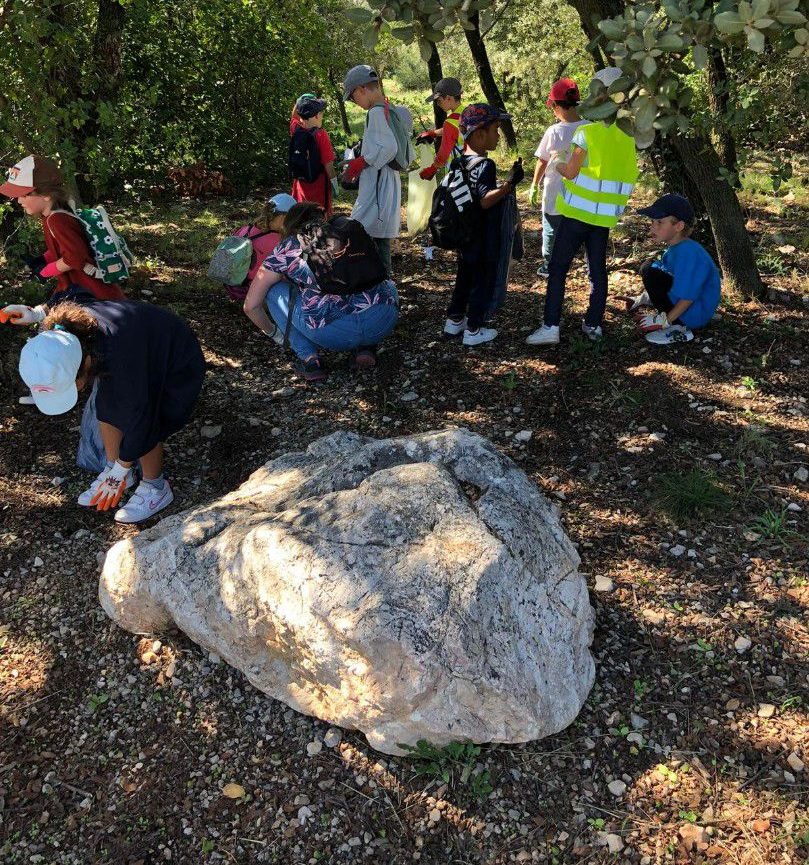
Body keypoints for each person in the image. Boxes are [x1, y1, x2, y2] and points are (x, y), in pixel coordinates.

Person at [17, 299, 205, 523]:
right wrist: (35, 314)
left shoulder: (122, 358)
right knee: (106, 406)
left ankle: (155, 487)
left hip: (174, 357)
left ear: (86, 362)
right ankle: (112, 466)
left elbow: (141, 416)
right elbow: (74, 293)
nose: (75, 388)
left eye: (71, 384)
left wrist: (123, 466)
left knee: (146, 415)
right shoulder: (66, 332)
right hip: (139, 348)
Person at [526, 67, 639, 347]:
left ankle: (551, 325)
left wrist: (556, 161)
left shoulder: (587, 133)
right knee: (597, 271)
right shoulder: (629, 138)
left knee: (558, 267)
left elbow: (571, 172)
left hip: (576, 214)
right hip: (603, 217)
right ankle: (593, 324)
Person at [243, 202, 399, 384]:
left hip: (333, 333)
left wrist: (275, 333)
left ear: (289, 225)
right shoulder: (350, 234)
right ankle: (366, 347)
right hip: (383, 319)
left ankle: (310, 359)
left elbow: (251, 306)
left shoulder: (287, 248)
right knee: (384, 285)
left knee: (272, 290)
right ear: (323, 219)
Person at [443, 103, 525, 346]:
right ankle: (474, 330)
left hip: (464, 236)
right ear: (480, 134)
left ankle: (454, 322)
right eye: (496, 129)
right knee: (481, 282)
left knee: (464, 279)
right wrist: (509, 185)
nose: (498, 135)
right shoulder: (485, 165)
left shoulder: (458, 161)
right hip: (483, 237)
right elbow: (484, 201)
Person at [0, 155, 126, 305]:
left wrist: (46, 271)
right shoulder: (50, 216)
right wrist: (43, 259)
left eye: (24, 195)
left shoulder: (57, 220)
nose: (19, 201)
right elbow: (64, 246)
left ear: (46, 194)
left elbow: (74, 257)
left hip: (93, 293)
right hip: (79, 288)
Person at [341, 65, 411, 277]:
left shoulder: (376, 112)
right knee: (376, 236)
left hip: (379, 184)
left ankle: (380, 286)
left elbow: (389, 147)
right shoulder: (389, 108)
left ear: (361, 89)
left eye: (353, 98)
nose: (356, 103)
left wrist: (362, 161)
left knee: (366, 232)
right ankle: (382, 284)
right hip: (385, 181)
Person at [625, 193, 721, 345]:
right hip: (693, 307)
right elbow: (668, 279)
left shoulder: (688, 253)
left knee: (650, 271)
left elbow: (688, 297)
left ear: (679, 226)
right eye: (652, 221)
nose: (653, 227)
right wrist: (642, 299)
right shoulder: (676, 249)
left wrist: (663, 321)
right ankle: (674, 320)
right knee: (650, 267)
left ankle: (679, 328)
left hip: (695, 313)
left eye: (660, 222)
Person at [527, 78, 587, 277]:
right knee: (584, 228)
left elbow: (542, 161)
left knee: (551, 229)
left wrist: (534, 184)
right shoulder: (589, 128)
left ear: (557, 105)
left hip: (555, 190)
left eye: (552, 106)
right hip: (582, 190)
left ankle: (549, 265)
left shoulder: (554, 131)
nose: (552, 111)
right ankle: (589, 264)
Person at [225, 193, 296, 301]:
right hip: (257, 293)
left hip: (232, 286)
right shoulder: (280, 242)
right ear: (283, 217)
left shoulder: (245, 229)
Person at [289, 94, 339, 216]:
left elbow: (293, 118)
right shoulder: (322, 135)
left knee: (301, 216)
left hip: (300, 185)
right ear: (316, 116)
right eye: (322, 114)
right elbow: (328, 165)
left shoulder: (296, 129)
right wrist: (335, 184)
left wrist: (298, 102)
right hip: (319, 187)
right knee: (319, 218)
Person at [416, 78, 465, 181]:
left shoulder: (450, 122)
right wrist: (433, 133)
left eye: (439, 101)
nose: (438, 104)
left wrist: (431, 170)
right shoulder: (467, 112)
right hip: (473, 168)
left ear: (448, 98)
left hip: (457, 174)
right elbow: (456, 131)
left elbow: (443, 154)